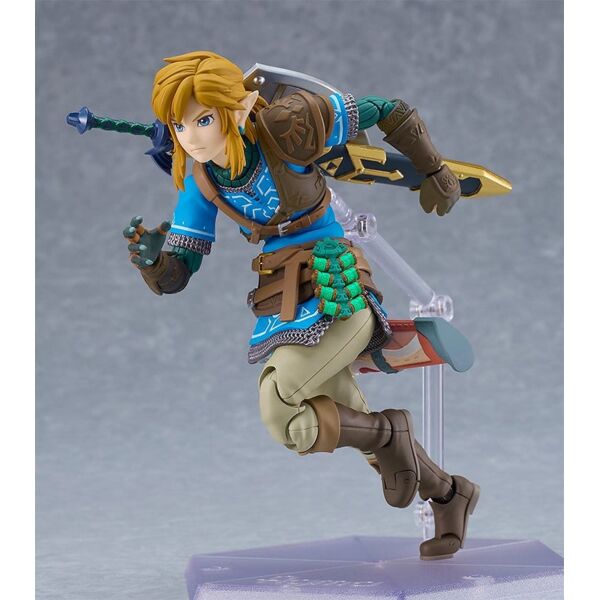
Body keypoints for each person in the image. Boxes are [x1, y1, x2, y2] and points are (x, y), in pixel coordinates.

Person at [123, 50, 478, 560]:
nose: (192, 137)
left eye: (203, 120)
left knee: (280, 404)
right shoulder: (200, 182)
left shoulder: (287, 127)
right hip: (282, 301)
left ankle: (391, 434)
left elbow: (387, 109)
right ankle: (448, 493)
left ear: (239, 107)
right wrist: (154, 263)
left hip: (338, 288)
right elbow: (179, 272)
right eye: (179, 126)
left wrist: (434, 167)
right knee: (345, 423)